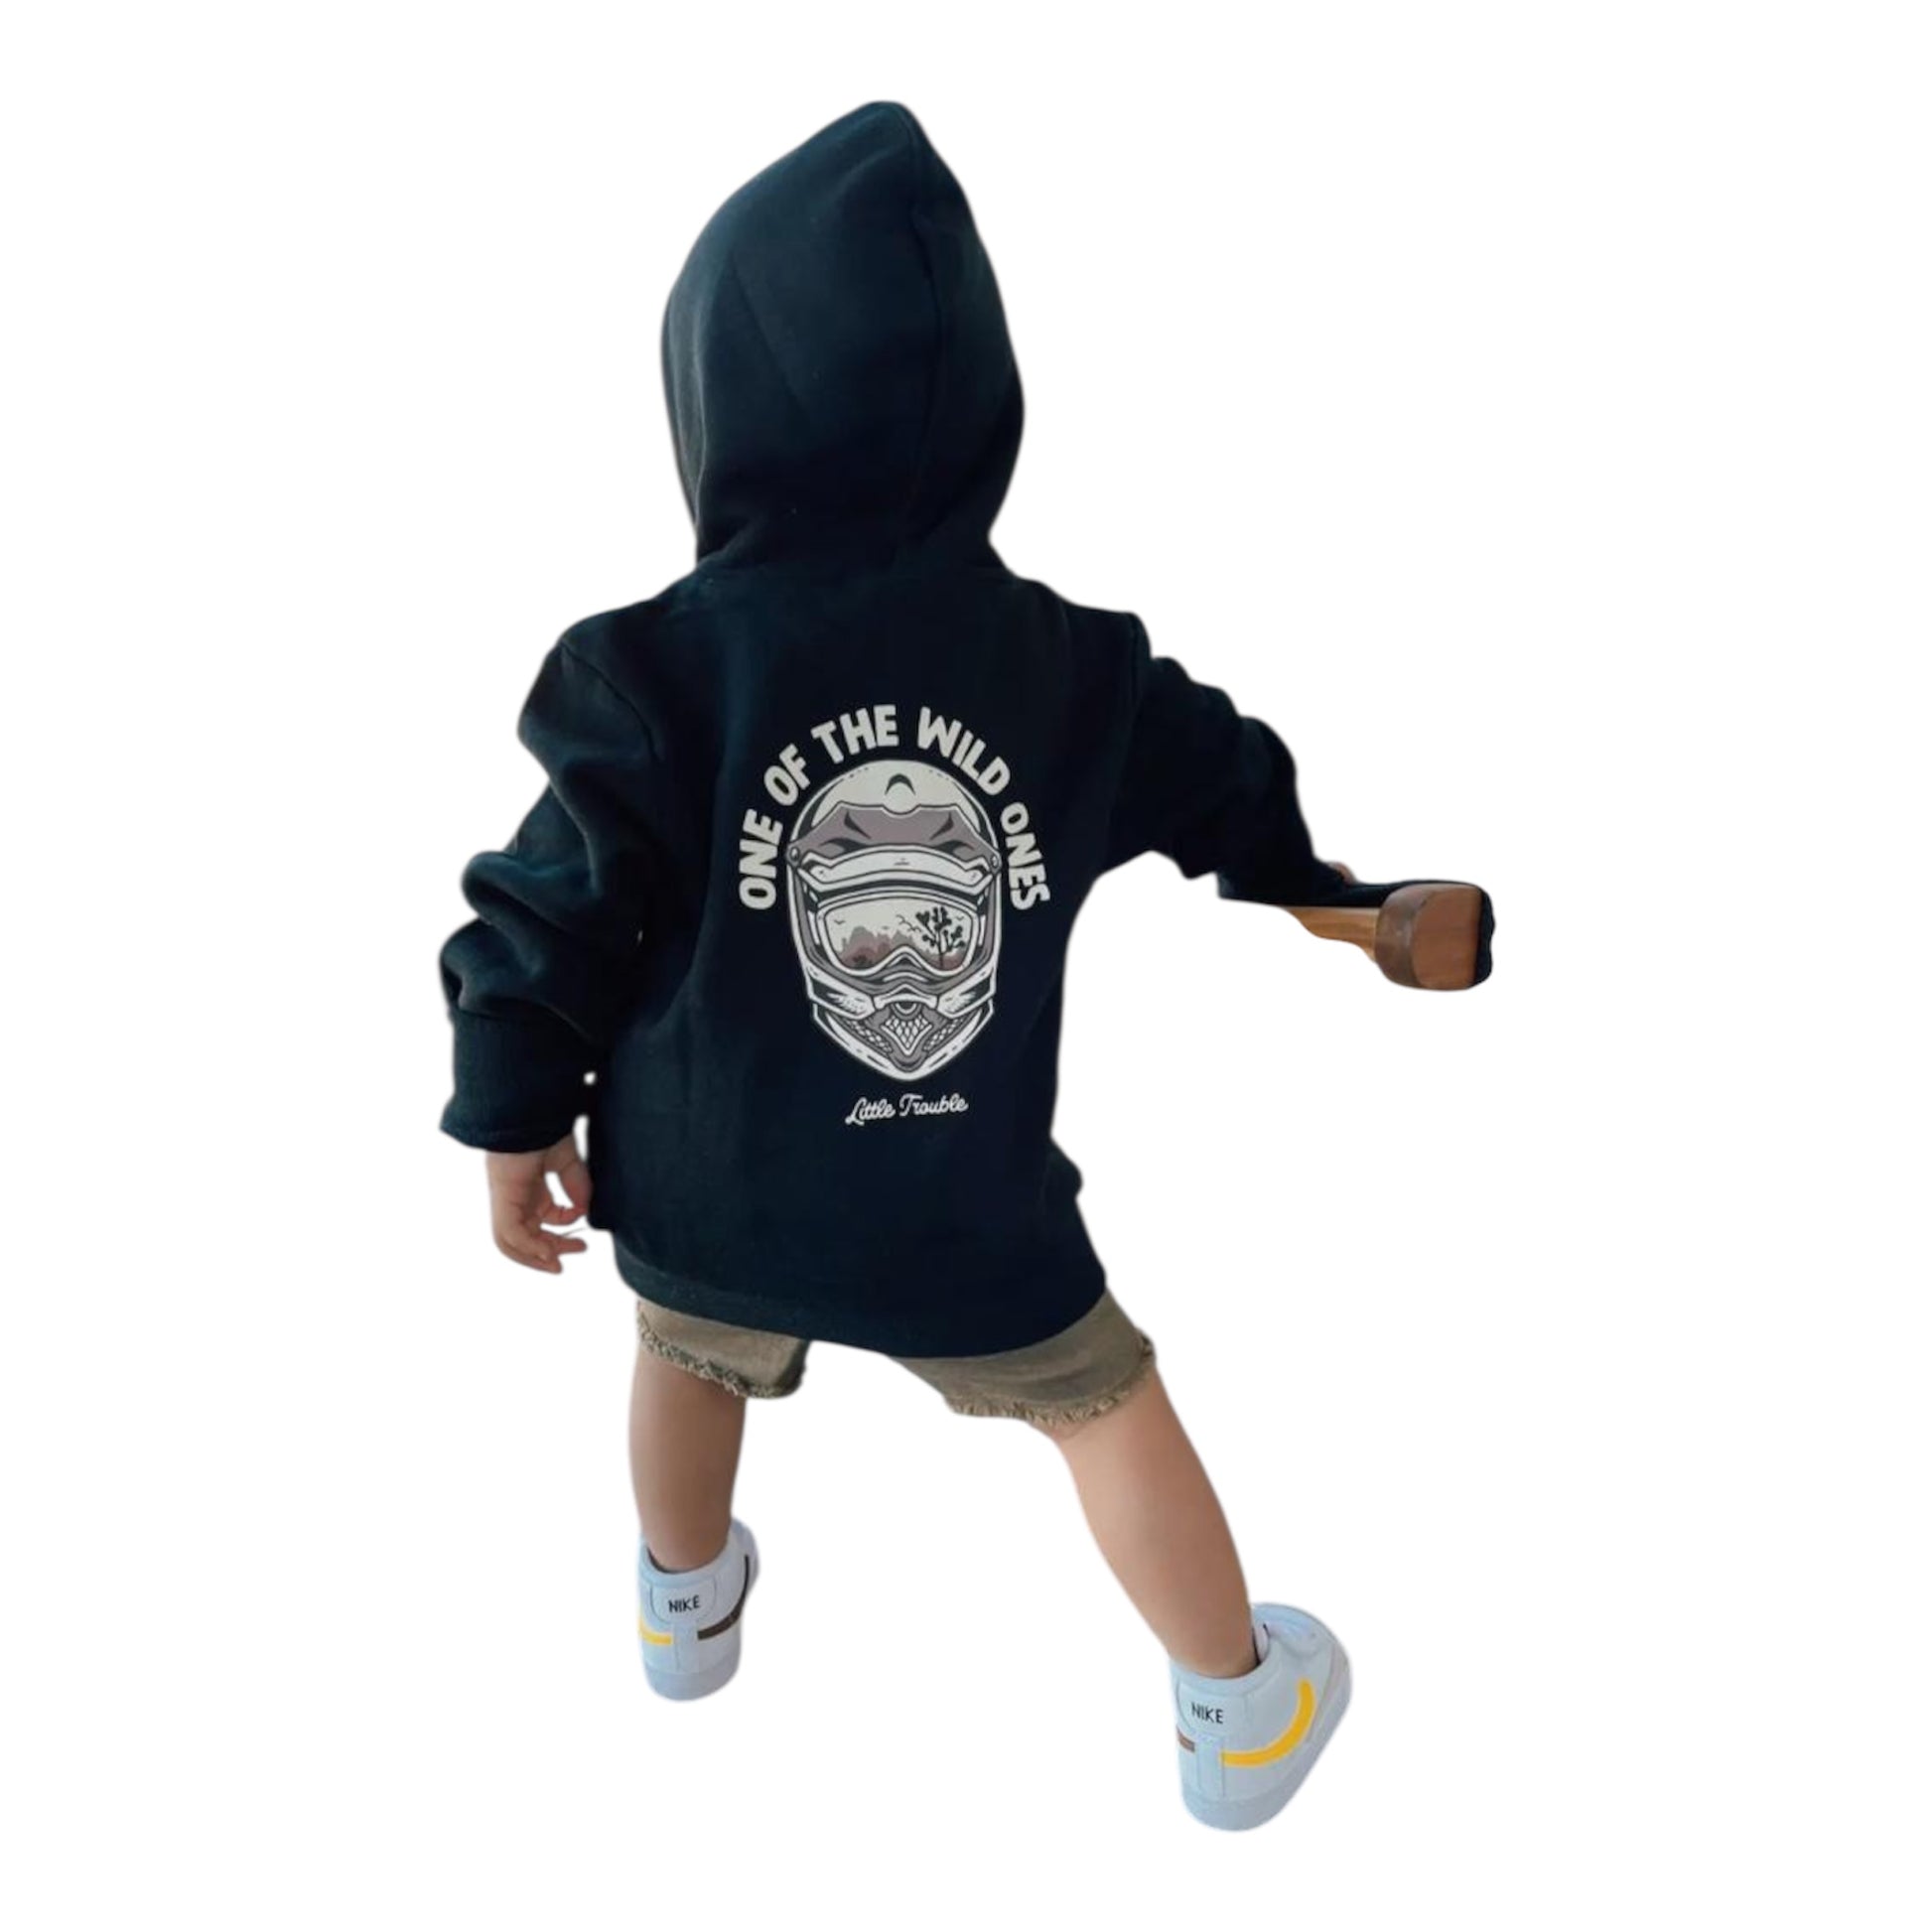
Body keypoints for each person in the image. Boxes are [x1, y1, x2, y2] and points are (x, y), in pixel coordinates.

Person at [437, 100, 1486, 1831]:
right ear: (978, 392)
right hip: (958, 1203)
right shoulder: (1071, 669)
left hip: (705, 1178)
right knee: (1104, 1401)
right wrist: (1311, 882)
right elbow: (1224, 773)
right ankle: (1239, 1708)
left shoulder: (654, 672)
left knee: (684, 1351)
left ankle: (683, 1610)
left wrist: (510, 1113)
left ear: (712, 402)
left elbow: (540, 910)